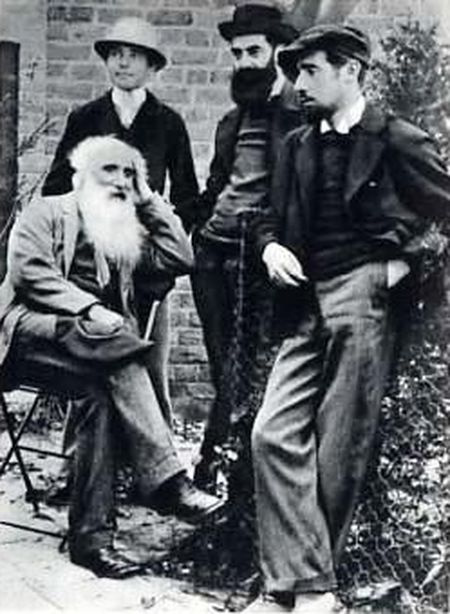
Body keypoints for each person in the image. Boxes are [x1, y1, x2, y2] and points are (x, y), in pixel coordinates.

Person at [247, 24, 450, 613]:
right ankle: (310, 586)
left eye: (311, 71)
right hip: (304, 298)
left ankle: (291, 593)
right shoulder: (297, 144)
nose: (300, 84)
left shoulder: (397, 139)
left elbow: (444, 215)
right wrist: (269, 247)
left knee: (339, 446)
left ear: (351, 71)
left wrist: (399, 265)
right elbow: (265, 213)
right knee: (271, 433)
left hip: (364, 293)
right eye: (297, 73)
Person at [0, 136, 222, 579]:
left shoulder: (122, 232)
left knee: (99, 395)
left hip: (91, 354)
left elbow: (181, 257)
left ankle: (91, 542)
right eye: (110, 170)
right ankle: (167, 481)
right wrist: (88, 308)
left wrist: (149, 200)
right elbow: (29, 272)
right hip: (30, 335)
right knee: (115, 341)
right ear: (81, 175)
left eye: (129, 173)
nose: (120, 180)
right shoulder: (46, 212)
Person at [42, 16, 199, 425]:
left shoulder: (167, 122)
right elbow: (55, 188)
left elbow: (188, 199)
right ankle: (84, 456)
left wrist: (164, 248)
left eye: (133, 55)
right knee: (90, 372)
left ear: (152, 66)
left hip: (145, 262)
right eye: (115, 54)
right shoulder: (86, 118)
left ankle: (158, 456)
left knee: (149, 364)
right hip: (91, 263)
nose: (122, 63)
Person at [191, 2, 303, 489]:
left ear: (278, 51)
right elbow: (217, 186)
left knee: (249, 369)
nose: (243, 62)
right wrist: (193, 227)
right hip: (211, 256)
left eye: (254, 51)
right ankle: (220, 464)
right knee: (222, 364)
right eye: (237, 53)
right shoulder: (231, 121)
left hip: (256, 259)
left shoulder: (299, 119)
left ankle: (221, 465)